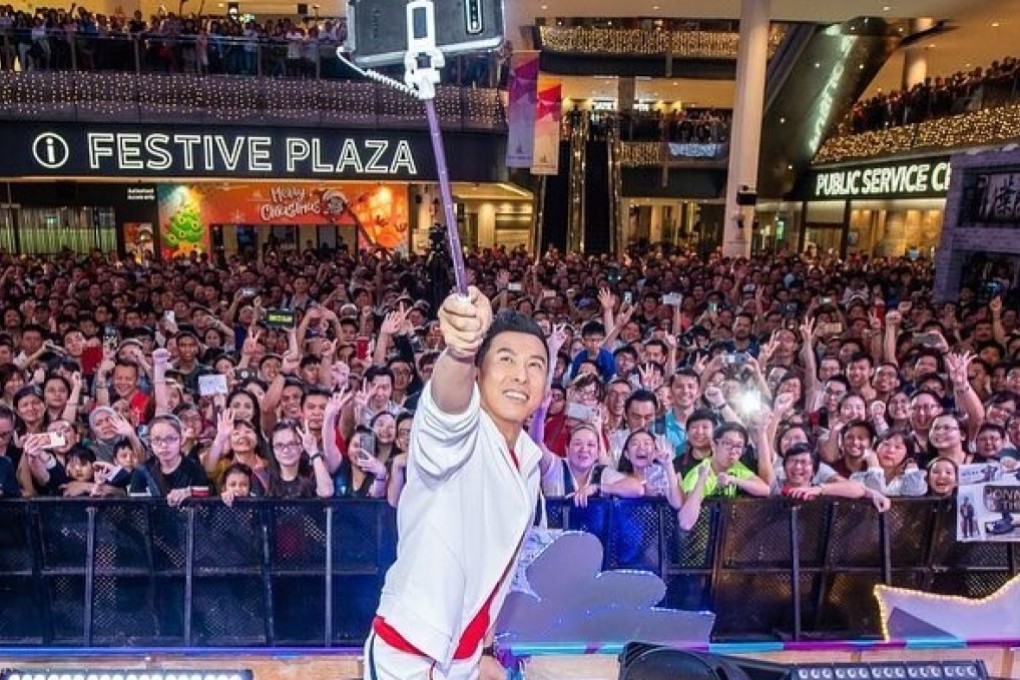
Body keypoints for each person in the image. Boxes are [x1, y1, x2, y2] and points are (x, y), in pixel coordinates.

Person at [364, 287, 548, 680]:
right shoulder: (457, 431)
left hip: (462, 660)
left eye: (536, 365)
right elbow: (447, 405)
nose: (521, 374)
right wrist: (460, 351)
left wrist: (480, 649)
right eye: (506, 359)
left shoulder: (531, 461)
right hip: (410, 657)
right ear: (479, 372)